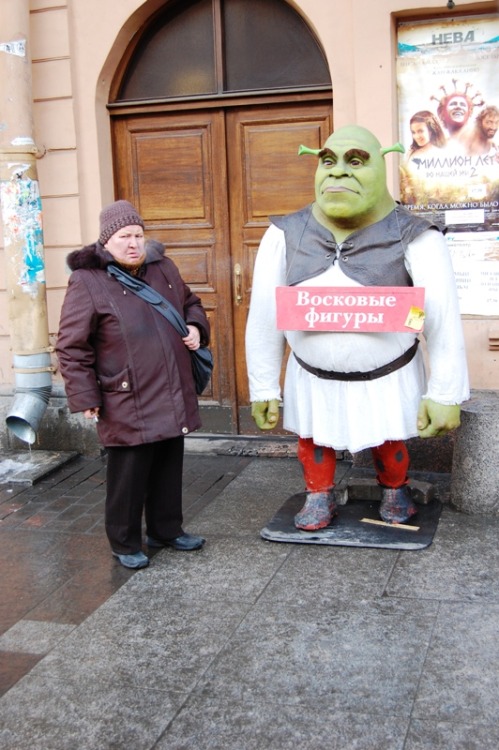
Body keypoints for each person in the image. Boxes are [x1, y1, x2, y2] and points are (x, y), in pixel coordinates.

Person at [245, 125, 469, 531]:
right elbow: (263, 316)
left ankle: (395, 488)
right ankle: (318, 493)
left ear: (381, 167)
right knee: (312, 437)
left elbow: (441, 320)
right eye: (327, 161)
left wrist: (445, 393)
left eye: (356, 161)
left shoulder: (416, 236)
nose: (338, 172)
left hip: (389, 374)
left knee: (389, 435)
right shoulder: (283, 235)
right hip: (311, 376)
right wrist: (263, 387)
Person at [56, 200, 210, 568]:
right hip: (125, 394)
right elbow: (71, 345)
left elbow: (191, 303)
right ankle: (125, 542)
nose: (133, 243)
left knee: (168, 465)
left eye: (138, 235)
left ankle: (166, 529)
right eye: (124, 236)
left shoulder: (163, 268)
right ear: (107, 240)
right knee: (129, 473)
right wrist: (84, 395)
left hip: (170, 387)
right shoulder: (87, 280)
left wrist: (194, 327)